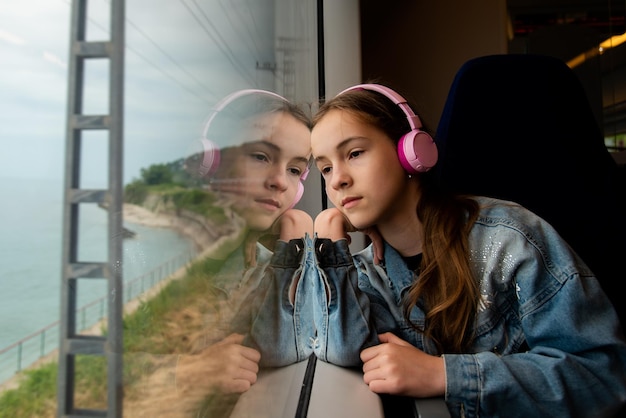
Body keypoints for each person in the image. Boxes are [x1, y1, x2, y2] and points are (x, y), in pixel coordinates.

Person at [309, 83, 626, 417]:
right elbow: (339, 350)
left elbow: (602, 376)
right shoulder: (364, 275)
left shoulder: (511, 240)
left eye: (355, 153)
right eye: (326, 168)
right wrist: (330, 250)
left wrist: (443, 374)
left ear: (410, 151)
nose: (337, 181)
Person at [124, 89, 315, 417]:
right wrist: (188, 371)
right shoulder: (136, 256)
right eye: (260, 156)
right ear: (209, 159)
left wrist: (295, 248)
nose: (280, 182)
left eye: (295, 170)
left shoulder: (269, 266)